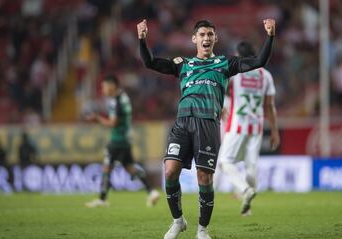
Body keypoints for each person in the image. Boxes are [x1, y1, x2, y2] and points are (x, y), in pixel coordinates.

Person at [137, 18, 275, 239]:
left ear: (215, 38)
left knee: (205, 178)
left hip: (208, 124)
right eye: (202, 34)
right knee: (170, 170)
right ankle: (178, 221)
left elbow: (259, 61)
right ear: (194, 39)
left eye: (210, 34)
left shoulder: (225, 63)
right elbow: (150, 63)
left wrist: (270, 36)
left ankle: (202, 229)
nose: (206, 38)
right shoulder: (183, 64)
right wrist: (142, 39)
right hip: (182, 122)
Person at [216, 41, 280, 216]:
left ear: (239, 55)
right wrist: (274, 131)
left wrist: (219, 104)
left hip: (237, 123)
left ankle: (244, 190)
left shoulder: (237, 73)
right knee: (251, 166)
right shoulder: (266, 75)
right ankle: (247, 208)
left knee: (225, 162)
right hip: (257, 126)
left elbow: (220, 84)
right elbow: (270, 106)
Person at [85, 74, 160, 208]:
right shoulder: (124, 98)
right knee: (130, 168)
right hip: (126, 140)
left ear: (112, 85)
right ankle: (151, 191)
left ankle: (102, 200)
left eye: (104, 86)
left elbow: (113, 123)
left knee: (107, 167)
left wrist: (97, 119)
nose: (103, 89)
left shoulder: (116, 101)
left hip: (117, 140)